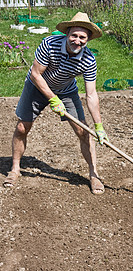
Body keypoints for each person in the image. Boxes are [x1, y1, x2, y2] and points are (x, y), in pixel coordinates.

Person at [3, 12, 109, 195]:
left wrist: (99, 126)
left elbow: (91, 95)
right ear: (67, 34)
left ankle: (94, 174)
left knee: (84, 132)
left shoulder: (89, 60)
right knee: (22, 128)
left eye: (82, 37)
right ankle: (15, 169)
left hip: (66, 91)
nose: (77, 40)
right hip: (37, 86)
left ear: (88, 39)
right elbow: (36, 75)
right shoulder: (49, 45)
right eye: (74, 35)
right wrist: (52, 99)